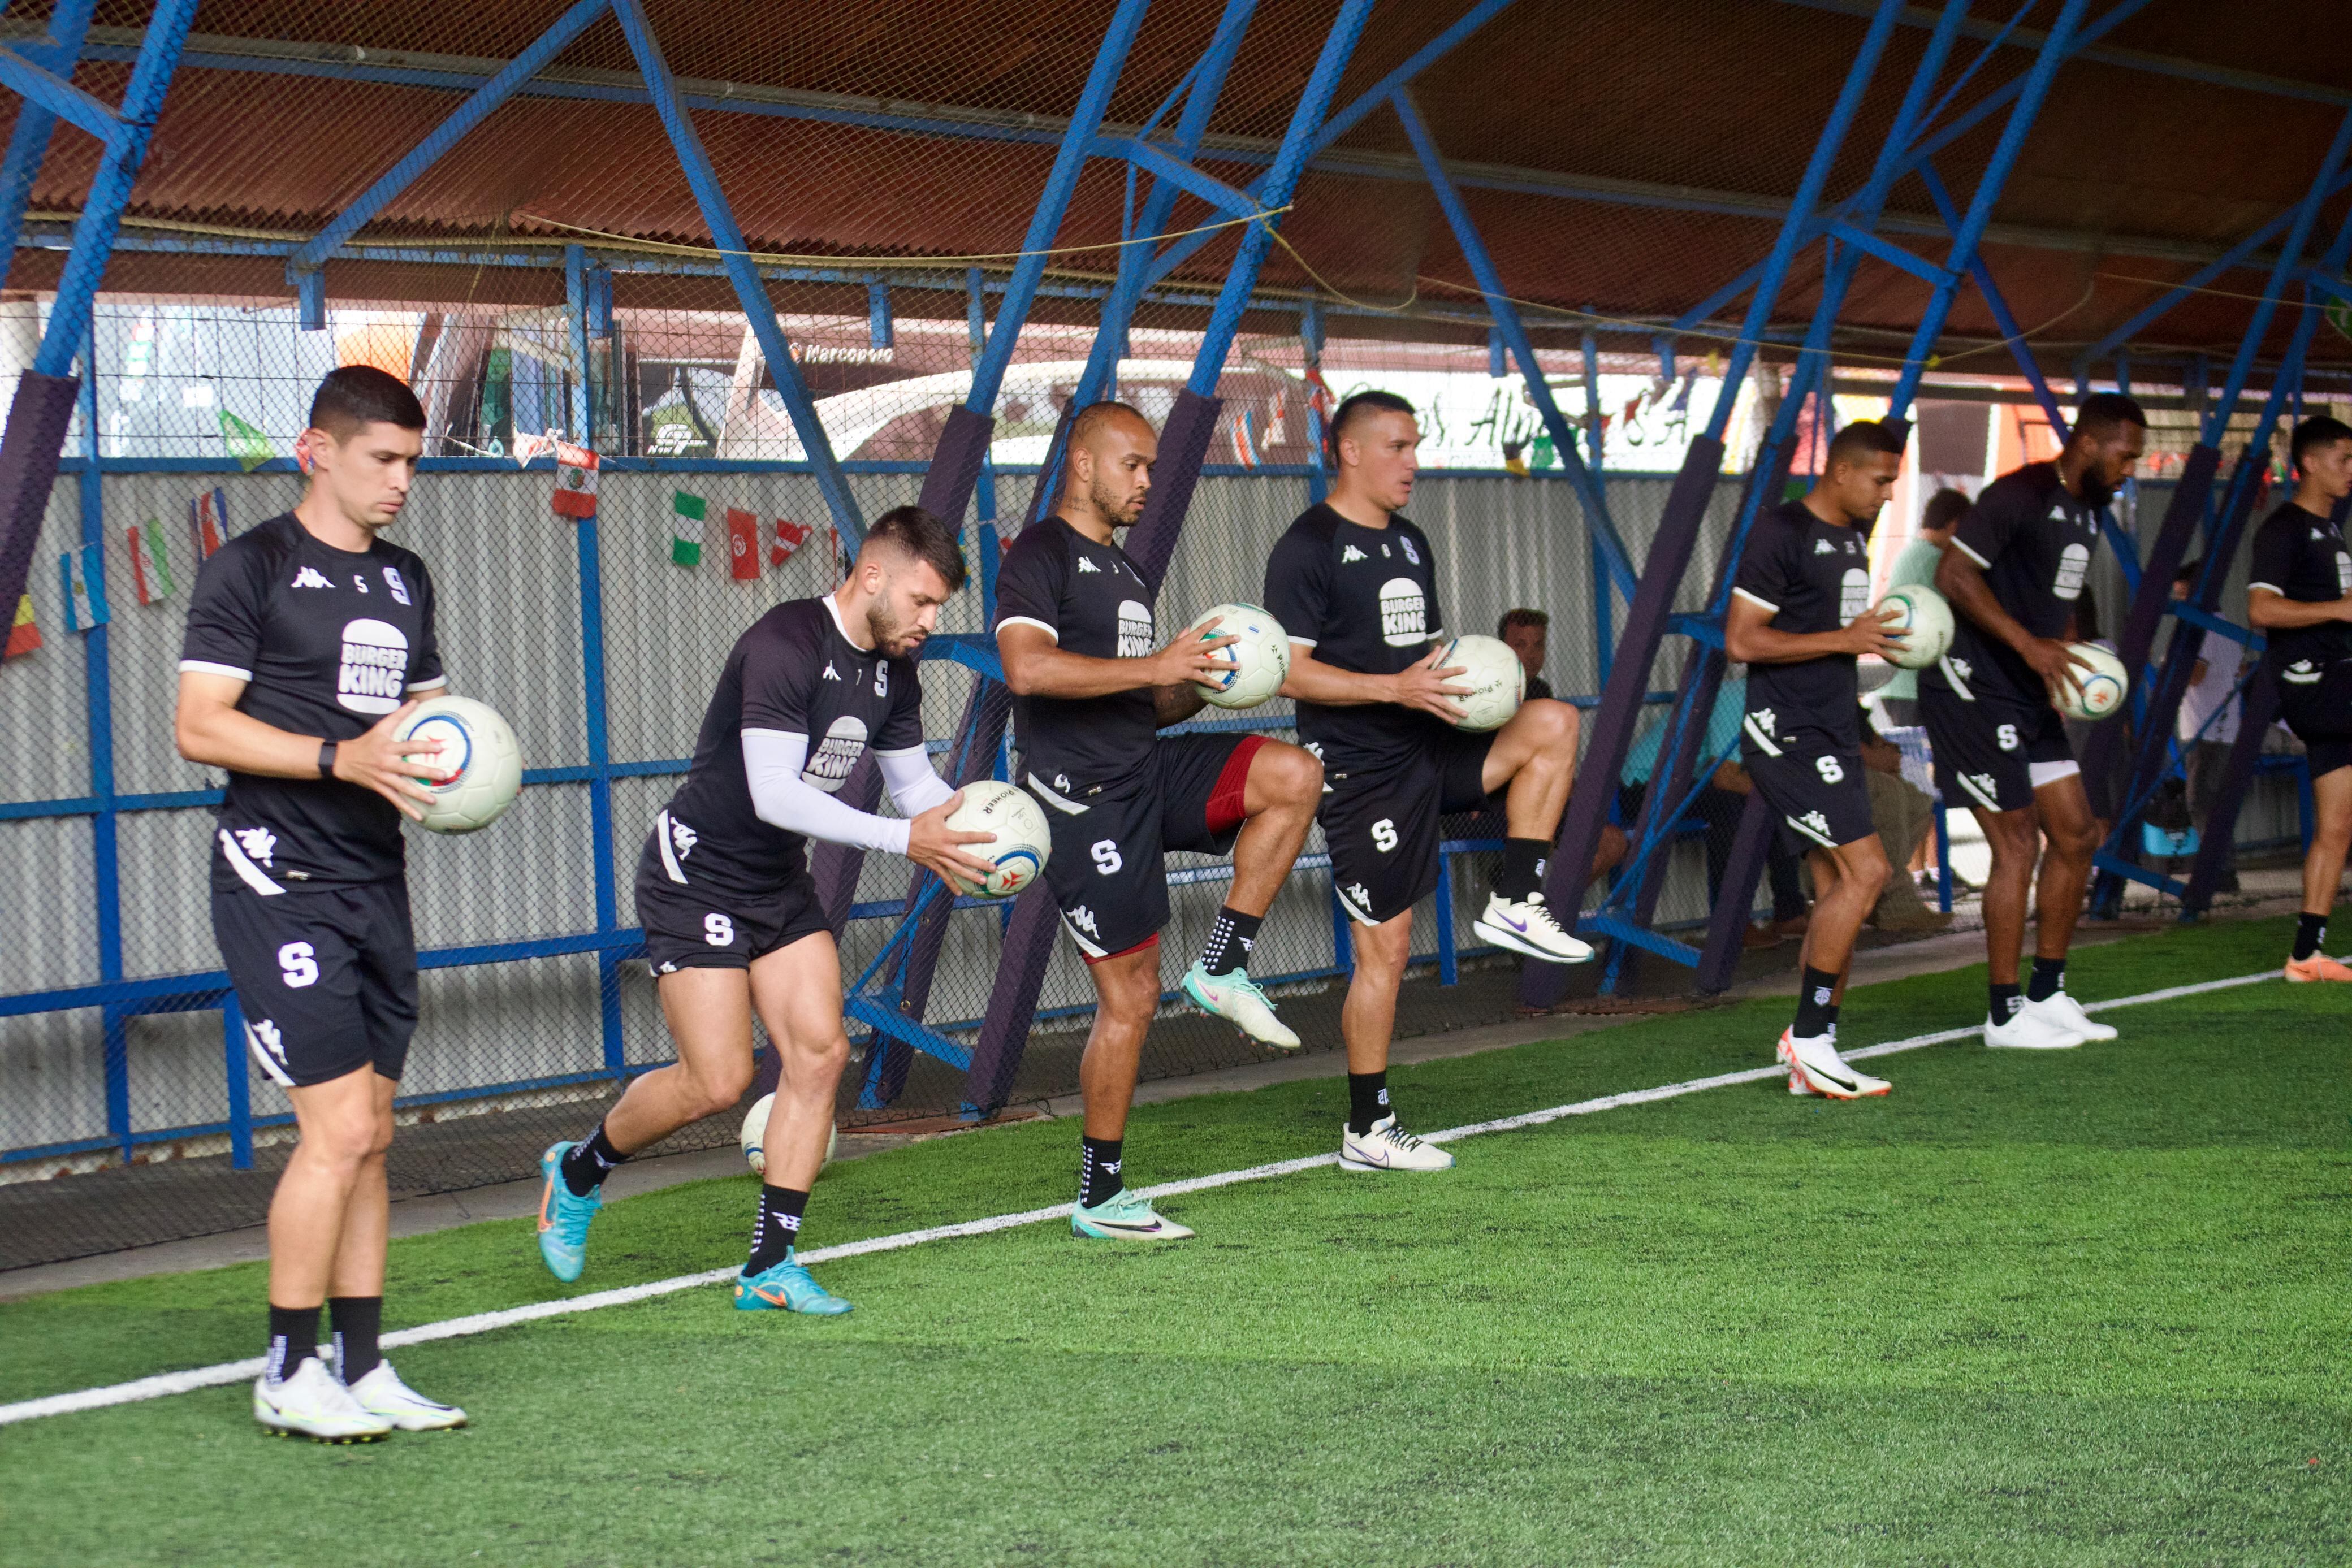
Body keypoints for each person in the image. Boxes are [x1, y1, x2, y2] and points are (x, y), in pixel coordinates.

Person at [535, 506, 998, 1311]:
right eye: (923, 602)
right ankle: (578, 1171)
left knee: (820, 1055)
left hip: (777, 881)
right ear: (873, 576)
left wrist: (981, 836)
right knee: (718, 1080)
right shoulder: (786, 643)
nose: (931, 622)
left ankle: (769, 1268)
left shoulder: (895, 668)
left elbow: (916, 788)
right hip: (698, 873)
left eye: (939, 609)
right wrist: (908, 840)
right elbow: (775, 794)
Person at [175, 366, 468, 1441]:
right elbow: (201, 726)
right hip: (274, 872)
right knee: (337, 1126)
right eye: (382, 459)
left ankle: (361, 1360)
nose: (400, 481)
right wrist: (340, 755)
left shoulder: (405, 578)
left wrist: (464, 766)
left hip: (373, 875)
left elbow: (433, 723)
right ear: (318, 451)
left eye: (410, 461)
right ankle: (286, 1367)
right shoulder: (250, 565)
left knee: (375, 1131)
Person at [996, 402, 1325, 1240]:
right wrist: (1157, 664)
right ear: (1083, 465)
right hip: (1085, 799)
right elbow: (1028, 671)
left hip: (1147, 767)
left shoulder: (1129, 572)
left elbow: (1149, 696)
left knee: (1293, 774)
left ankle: (1223, 966)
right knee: (1132, 999)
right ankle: (1100, 1196)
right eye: (1132, 465)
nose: (1146, 481)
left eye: (1150, 467)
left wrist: (1228, 675)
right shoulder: (1040, 553)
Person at [1265, 391, 1591, 1172]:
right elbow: (1290, 673)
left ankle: (1517, 899)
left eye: (1416, 446)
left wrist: (1483, 687)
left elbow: (1434, 657)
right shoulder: (1306, 546)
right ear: (1349, 450)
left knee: (1554, 723)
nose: (1413, 463)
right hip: (1361, 767)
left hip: (1429, 747)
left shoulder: (1410, 543)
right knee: (1388, 946)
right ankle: (1367, 1128)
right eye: (1399, 446)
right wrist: (1392, 691)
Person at [1926, 392, 2147, 1048]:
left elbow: (2060, 593)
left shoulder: (2088, 509)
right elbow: (1953, 574)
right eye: (2125, 454)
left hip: (2031, 691)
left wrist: (2072, 656)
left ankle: (2047, 992)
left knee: (2077, 835)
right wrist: (2027, 645)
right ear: (2087, 442)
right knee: (2016, 842)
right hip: (1976, 686)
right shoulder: (2018, 493)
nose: (2130, 467)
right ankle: (2002, 1012)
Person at [1724, 421, 1907, 1098]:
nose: (1888, 491)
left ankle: (1817, 1048)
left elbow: (1833, 638)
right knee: (1869, 871)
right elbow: (1741, 640)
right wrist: (1846, 636)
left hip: (1829, 730)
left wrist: (1874, 640)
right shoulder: (1781, 531)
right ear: (1840, 471)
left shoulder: (1853, 536)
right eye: (1881, 478)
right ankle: (1806, 1036)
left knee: (1839, 888)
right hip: (1786, 731)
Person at [2247, 413, 2352, 981]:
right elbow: (2260, 610)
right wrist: (2337, 609)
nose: (2350, 470)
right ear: (2308, 462)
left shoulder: (2331, 530)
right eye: (2343, 459)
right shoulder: (2283, 528)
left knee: (2336, 825)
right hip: (2314, 680)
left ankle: (2304, 955)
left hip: (2337, 678)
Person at [1610, 672, 1809, 948]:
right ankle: (1731, 924)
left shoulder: (1787, 703)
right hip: (1643, 785)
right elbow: (1724, 777)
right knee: (1733, 801)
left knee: (1771, 799)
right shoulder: (1738, 696)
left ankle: (1790, 912)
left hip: (1691, 782)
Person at [2171, 558, 2241, 890]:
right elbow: (2238, 671)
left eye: (2183, 596)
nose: (2179, 604)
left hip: (2206, 726)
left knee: (2200, 801)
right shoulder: (2226, 627)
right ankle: (2221, 867)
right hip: (2224, 724)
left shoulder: (2200, 629)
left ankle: (2220, 871)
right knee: (2212, 801)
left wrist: (2170, 667)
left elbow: (2194, 676)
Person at [1873, 486, 1970, 727]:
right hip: (1915, 687)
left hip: (1898, 684)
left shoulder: (1911, 553)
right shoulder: (1936, 560)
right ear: (1955, 525)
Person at [1498, 608, 1555, 701]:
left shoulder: (1541, 690)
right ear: (1502, 647)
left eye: (1538, 645)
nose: (1531, 656)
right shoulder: (1488, 686)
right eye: (1520, 645)